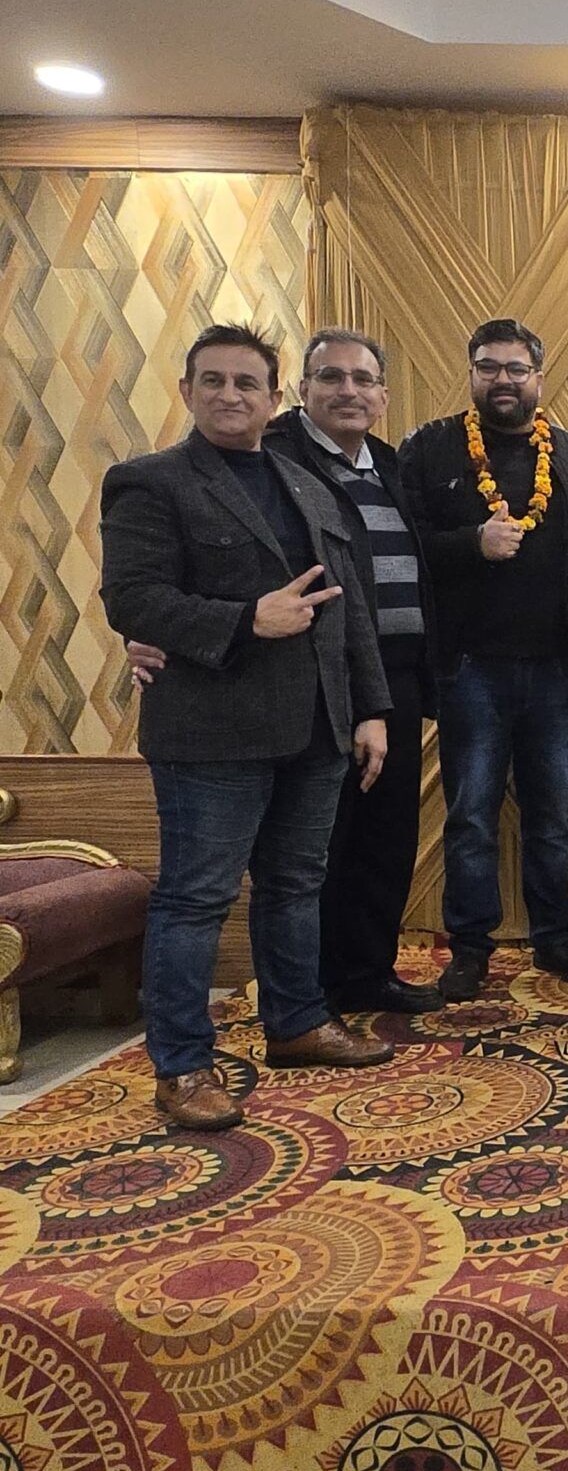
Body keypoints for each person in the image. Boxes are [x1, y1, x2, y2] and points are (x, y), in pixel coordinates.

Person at [100, 324, 395, 1131]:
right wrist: (245, 620)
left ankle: (296, 1022)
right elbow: (132, 600)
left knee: (297, 885)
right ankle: (182, 1065)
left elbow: (348, 606)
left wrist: (370, 708)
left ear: (274, 399)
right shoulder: (149, 482)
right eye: (214, 381)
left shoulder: (307, 484)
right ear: (187, 390)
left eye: (246, 383)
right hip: (212, 734)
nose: (230, 395)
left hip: (317, 727)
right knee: (196, 899)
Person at [398, 318, 568, 1000]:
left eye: (516, 369)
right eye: (489, 367)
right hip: (470, 669)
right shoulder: (430, 450)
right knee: (471, 816)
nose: (503, 380)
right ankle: (470, 950)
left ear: (538, 379)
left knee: (554, 816)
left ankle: (554, 939)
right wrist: (473, 542)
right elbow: (403, 552)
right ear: (470, 374)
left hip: (557, 670)